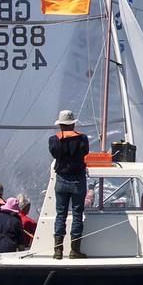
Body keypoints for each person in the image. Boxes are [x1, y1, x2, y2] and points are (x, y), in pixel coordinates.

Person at [49, 110, 90, 260]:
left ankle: (58, 251)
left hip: (61, 180)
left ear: (60, 125)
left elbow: (54, 154)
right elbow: (85, 152)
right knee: (77, 215)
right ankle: (74, 251)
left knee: (61, 215)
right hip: (78, 180)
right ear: (73, 124)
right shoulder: (82, 139)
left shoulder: (53, 140)